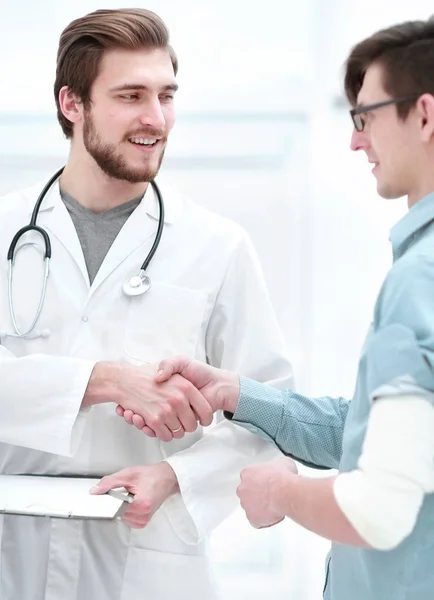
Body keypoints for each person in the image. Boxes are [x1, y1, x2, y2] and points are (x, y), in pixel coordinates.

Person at [123, 16, 434, 600]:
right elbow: (381, 439)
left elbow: (382, 505)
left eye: (364, 116)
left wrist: (281, 492)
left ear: (423, 114)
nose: (354, 140)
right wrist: (239, 394)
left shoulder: (419, 281)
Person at [0, 8, 294, 600]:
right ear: (72, 104)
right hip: (14, 552)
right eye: (131, 95)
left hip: (147, 563)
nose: (155, 119)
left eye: (166, 95)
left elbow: (273, 414)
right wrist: (102, 382)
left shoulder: (217, 246)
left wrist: (177, 476)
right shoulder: (7, 228)